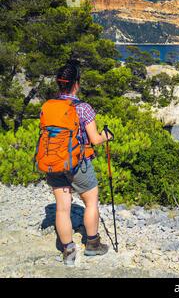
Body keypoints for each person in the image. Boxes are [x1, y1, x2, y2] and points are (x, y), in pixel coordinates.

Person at [44, 60, 112, 266]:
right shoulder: (83, 108)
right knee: (91, 202)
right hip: (77, 164)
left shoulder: (48, 106)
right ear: (76, 83)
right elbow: (94, 139)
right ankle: (92, 244)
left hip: (54, 162)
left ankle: (68, 251)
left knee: (62, 209)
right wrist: (106, 136)